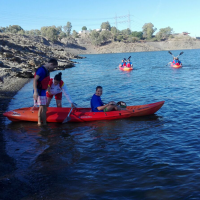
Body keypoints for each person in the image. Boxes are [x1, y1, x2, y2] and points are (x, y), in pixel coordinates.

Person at [33, 58, 58, 125]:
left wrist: (48, 89)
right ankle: (41, 123)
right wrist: (35, 92)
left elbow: (45, 81)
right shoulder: (41, 70)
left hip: (43, 91)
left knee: (44, 108)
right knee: (42, 107)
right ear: (51, 64)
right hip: (39, 91)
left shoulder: (47, 70)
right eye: (54, 67)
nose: (54, 69)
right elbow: (35, 80)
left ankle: (43, 123)